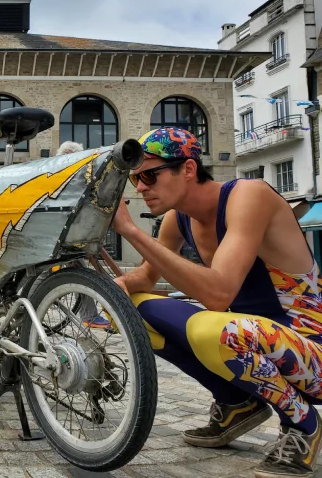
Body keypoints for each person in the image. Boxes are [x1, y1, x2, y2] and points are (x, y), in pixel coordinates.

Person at [112, 127, 322, 478]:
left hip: (311, 354)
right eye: (135, 178)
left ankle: (302, 425)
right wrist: (114, 285)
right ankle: (237, 404)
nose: (140, 187)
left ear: (189, 169)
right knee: (129, 310)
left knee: (216, 330)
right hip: (252, 338)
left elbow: (218, 294)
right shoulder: (177, 219)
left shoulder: (249, 195)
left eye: (150, 174)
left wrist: (131, 231)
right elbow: (146, 278)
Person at [55, 141, 113, 330]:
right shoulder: (63, 177)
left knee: (82, 268)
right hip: (63, 236)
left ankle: (92, 314)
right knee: (79, 269)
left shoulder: (72, 176)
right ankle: (91, 315)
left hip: (72, 234)